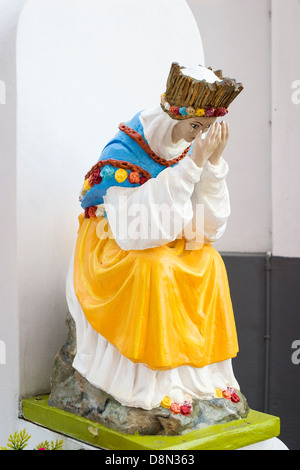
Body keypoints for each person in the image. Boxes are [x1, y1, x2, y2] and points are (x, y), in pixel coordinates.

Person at [66, 62, 244, 410]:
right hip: (111, 240)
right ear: (172, 115)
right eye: (194, 126)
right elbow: (134, 233)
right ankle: (149, 379)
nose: (197, 137)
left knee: (210, 262)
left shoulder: (192, 148)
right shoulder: (126, 151)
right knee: (156, 267)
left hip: (163, 234)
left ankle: (201, 378)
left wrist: (211, 166)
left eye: (206, 129)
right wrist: (192, 166)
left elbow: (208, 229)